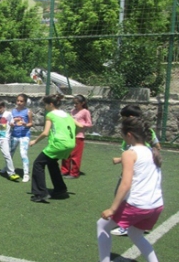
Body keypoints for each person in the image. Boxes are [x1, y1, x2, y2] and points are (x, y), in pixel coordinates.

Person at [97, 117, 163, 262]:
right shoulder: (150, 151)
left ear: (129, 135)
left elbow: (126, 184)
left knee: (102, 225)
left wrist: (112, 209)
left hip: (137, 205)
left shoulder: (129, 153)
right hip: (156, 205)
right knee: (135, 234)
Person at [111, 104, 161, 236]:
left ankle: (124, 225)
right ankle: (140, 223)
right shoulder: (146, 132)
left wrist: (121, 159)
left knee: (123, 193)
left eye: (124, 118)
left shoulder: (136, 136)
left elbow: (136, 153)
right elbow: (157, 147)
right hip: (140, 168)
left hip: (135, 169)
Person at [29, 94, 83, 202]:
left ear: (51, 104)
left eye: (45, 104)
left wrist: (35, 141)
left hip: (58, 144)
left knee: (38, 164)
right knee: (52, 163)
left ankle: (40, 193)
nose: (44, 106)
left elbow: (45, 133)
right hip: (70, 144)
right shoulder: (67, 115)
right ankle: (60, 189)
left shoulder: (50, 115)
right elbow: (80, 126)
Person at [61, 94, 93, 179]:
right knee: (66, 154)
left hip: (79, 136)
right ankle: (65, 171)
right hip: (70, 135)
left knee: (75, 155)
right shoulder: (72, 111)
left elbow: (89, 124)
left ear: (82, 103)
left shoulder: (85, 112)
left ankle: (74, 173)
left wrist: (81, 125)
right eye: (74, 103)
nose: (75, 105)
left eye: (77, 103)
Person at [9, 93, 33, 183]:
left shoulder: (28, 111)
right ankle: (8, 168)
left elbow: (31, 123)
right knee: (10, 153)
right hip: (14, 135)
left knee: (23, 154)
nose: (19, 103)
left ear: (25, 102)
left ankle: (26, 174)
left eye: (21, 101)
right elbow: (10, 122)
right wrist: (11, 123)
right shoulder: (13, 111)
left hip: (24, 136)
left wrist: (25, 124)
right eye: (18, 101)